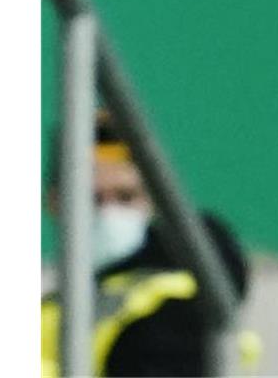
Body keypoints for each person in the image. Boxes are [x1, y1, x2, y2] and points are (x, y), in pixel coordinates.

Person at [42, 108, 258, 377]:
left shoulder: (176, 304)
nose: (108, 214)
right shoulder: (57, 305)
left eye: (125, 197)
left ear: (151, 201)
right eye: (92, 199)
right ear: (54, 203)